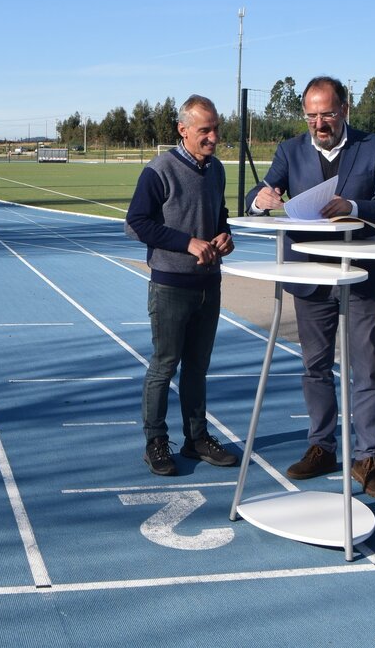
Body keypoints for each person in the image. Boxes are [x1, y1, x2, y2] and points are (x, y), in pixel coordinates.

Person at [246, 76, 375, 499]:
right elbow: (260, 193)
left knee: (366, 368)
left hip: (361, 277)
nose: (319, 123)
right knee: (314, 367)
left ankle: (367, 458)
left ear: (345, 109)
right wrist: (260, 200)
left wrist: (353, 207)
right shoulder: (290, 150)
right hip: (310, 278)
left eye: (327, 114)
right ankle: (322, 447)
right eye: (311, 116)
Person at [126, 94, 239, 475]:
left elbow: (219, 214)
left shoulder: (217, 170)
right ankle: (156, 442)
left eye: (216, 129)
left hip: (209, 282)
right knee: (164, 365)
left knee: (197, 367)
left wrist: (225, 236)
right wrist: (186, 242)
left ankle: (196, 438)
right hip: (171, 286)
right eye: (205, 130)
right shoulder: (159, 170)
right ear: (183, 130)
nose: (213, 137)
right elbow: (136, 223)